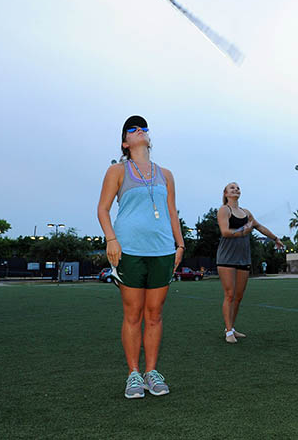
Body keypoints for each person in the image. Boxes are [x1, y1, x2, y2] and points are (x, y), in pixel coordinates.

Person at [97, 115, 185, 398]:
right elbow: (102, 209)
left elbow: (172, 212)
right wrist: (111, 239)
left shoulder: (166, 174)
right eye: (133, 129)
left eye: (143, 127)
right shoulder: (117, 171)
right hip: (129, 250)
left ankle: (152, 372)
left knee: (155, 314)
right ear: (125, 142)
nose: (140, 131)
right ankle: (133, 374)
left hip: (162, 251)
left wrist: (180, 245)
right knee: (133, 314)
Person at [216, 182, 284, 343]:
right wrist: (243, 230)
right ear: (226, 193)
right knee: (230, 294)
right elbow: (225, 232)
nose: (236, 189)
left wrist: (275, 238)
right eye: (232, 188)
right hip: (226, 258)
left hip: (243, 258)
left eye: (238, 187)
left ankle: (232, 328)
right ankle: (228, 332)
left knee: (238, 297)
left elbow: (259, 227)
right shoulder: (224, 210)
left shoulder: (246, 212)